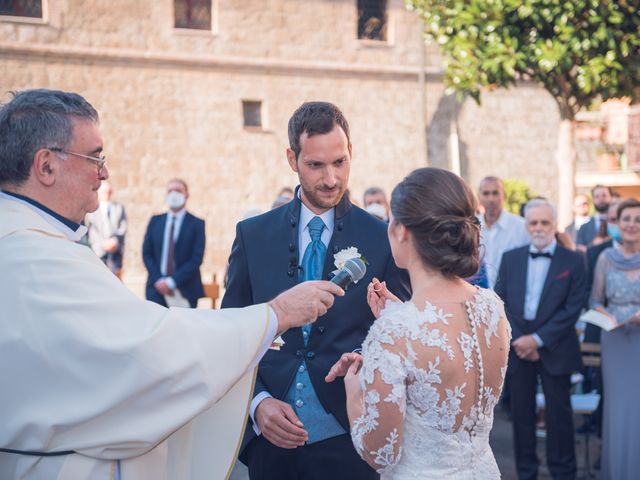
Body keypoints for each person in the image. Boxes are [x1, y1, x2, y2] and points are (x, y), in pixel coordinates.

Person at [0, 89, 345, 480]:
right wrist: (276, 315)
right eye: (94, 157)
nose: (104, 172)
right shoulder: (33, 256)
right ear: (46, 166)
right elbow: (147, 348)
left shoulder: (33, 242)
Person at [222, 101, 411, 480]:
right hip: (271, 445)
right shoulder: (252, 235)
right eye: (316, 165)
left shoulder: (383, 237)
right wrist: (257, 404)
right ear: (292, 158)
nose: (330, 179)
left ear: (351, 153)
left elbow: (399, 335)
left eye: (339, 162)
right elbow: (232, 331)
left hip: (352, 440)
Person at [326, 167, 511, 478]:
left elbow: (380, 452)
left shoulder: (395, 331)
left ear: (403, 231)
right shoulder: (491, 307)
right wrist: (402, 314)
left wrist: (354, 391)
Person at [495, 199, 586, 480]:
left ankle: (563, 471)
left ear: (554, 225)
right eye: (533, 222)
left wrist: (538, 339)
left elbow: (574, 307)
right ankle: (526, 472)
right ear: (526, 225)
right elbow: (500, 302)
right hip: (519, 348)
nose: (538, 228)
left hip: (556, 346)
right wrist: (522, 340)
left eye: (544, 222)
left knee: (559, 416)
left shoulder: (573, 260)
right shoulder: (511, 258)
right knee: (522, 415)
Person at [589, 198, 640, 480]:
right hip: (616, 341)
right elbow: (595, 300)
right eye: (627, 219)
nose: (632, 224)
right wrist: (608, 317)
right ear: (618, 224)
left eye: (638, 219)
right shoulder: (605, 258)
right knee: (618, 410)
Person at [142, 178, 205, 308]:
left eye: (178, 190)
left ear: (186, 194)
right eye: (170, 191)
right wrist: (160, 280)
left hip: (185, 289)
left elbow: (196, 258)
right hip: (156, 289)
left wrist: (171, 282)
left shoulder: (197, 224)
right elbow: (147, 253)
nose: (174, 194)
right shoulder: (155, 221)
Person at [477, 176, 529, 288]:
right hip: (478, 296)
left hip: (511, 294)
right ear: (479, 197)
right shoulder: (471, 227)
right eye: (486, 193)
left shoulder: (522, 227)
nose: (491, 199)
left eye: (495, 193)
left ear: (504, 195)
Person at [85, 180, 127, 277]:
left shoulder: (119, 208)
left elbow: (122, 227)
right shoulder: (92, 210)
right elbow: (91, 230)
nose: (107, 195)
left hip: (114, 252)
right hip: (98, 252)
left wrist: (115, 241)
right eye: (104, 192)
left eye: (109, 192)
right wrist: (102, 244)